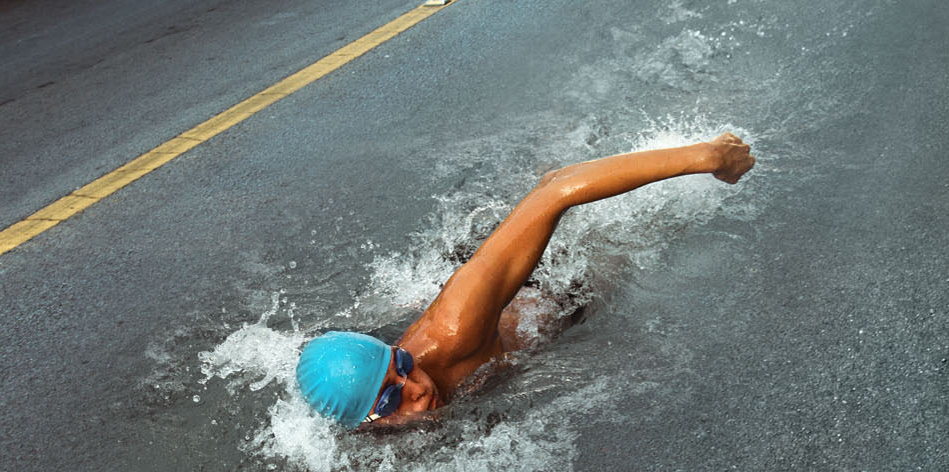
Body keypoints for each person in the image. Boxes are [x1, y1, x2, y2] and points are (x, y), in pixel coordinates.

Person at [295, 133, 756, 430]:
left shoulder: (455, 331)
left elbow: (554, 194)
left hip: (555, 290)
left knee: (615, 238)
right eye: (392, 395)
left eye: (402, 363)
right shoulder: (370, 438)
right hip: (500, 305)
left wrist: (704, 156)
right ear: (364, 423)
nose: (416, 386)